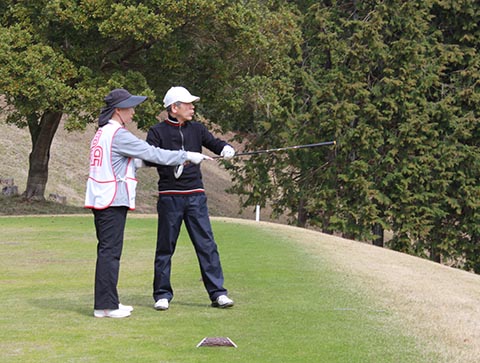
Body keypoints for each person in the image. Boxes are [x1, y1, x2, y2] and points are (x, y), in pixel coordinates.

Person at [85, 88, 211, 318]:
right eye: (130, 107)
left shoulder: (103, 132)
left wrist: (138, 163)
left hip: (102, 196)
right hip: (111, 198)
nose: (133, 112)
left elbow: (127, 159)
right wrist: (186, 156)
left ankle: (108, 302)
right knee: (110, 253)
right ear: (118, 110)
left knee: (108, 251)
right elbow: (153, 153)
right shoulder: (118, 134)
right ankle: (105, 306)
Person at [146, 86, 236, 310]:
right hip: (170, 196)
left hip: (195, 195)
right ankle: (162, 294)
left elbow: (214, 143)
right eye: (187, 104)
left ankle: (218, 293)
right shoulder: (157, 132)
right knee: (166, 246)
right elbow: (150, 158)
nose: (192, 107)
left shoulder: (197, 129)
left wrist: (225, 148)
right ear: (174, 108)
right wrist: (177, 161)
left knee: (206, 244)